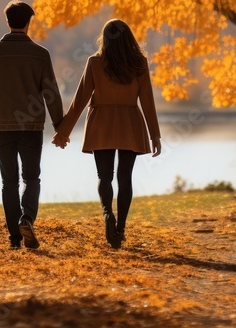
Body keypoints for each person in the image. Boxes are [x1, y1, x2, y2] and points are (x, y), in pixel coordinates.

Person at [52, 19, 162, 248]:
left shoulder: (95, 63)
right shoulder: (139, 63)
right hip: (130, 123)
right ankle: (120, 227)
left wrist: (63, 132)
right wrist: (155, 135)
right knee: (125, 178)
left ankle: (106, 214)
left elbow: (80, 99)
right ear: (129, 37)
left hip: (101, 122)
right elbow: (148, 101)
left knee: (104, 177)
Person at [0, 0, 64, 249]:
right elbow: (51, 94)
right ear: (29, 22)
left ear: (7, 21)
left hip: (1, 126)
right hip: (32, 128)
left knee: (9, 182)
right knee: (32, 178)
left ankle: (14, 236)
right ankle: (27, 219)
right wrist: (61, 127)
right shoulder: (40, 54)